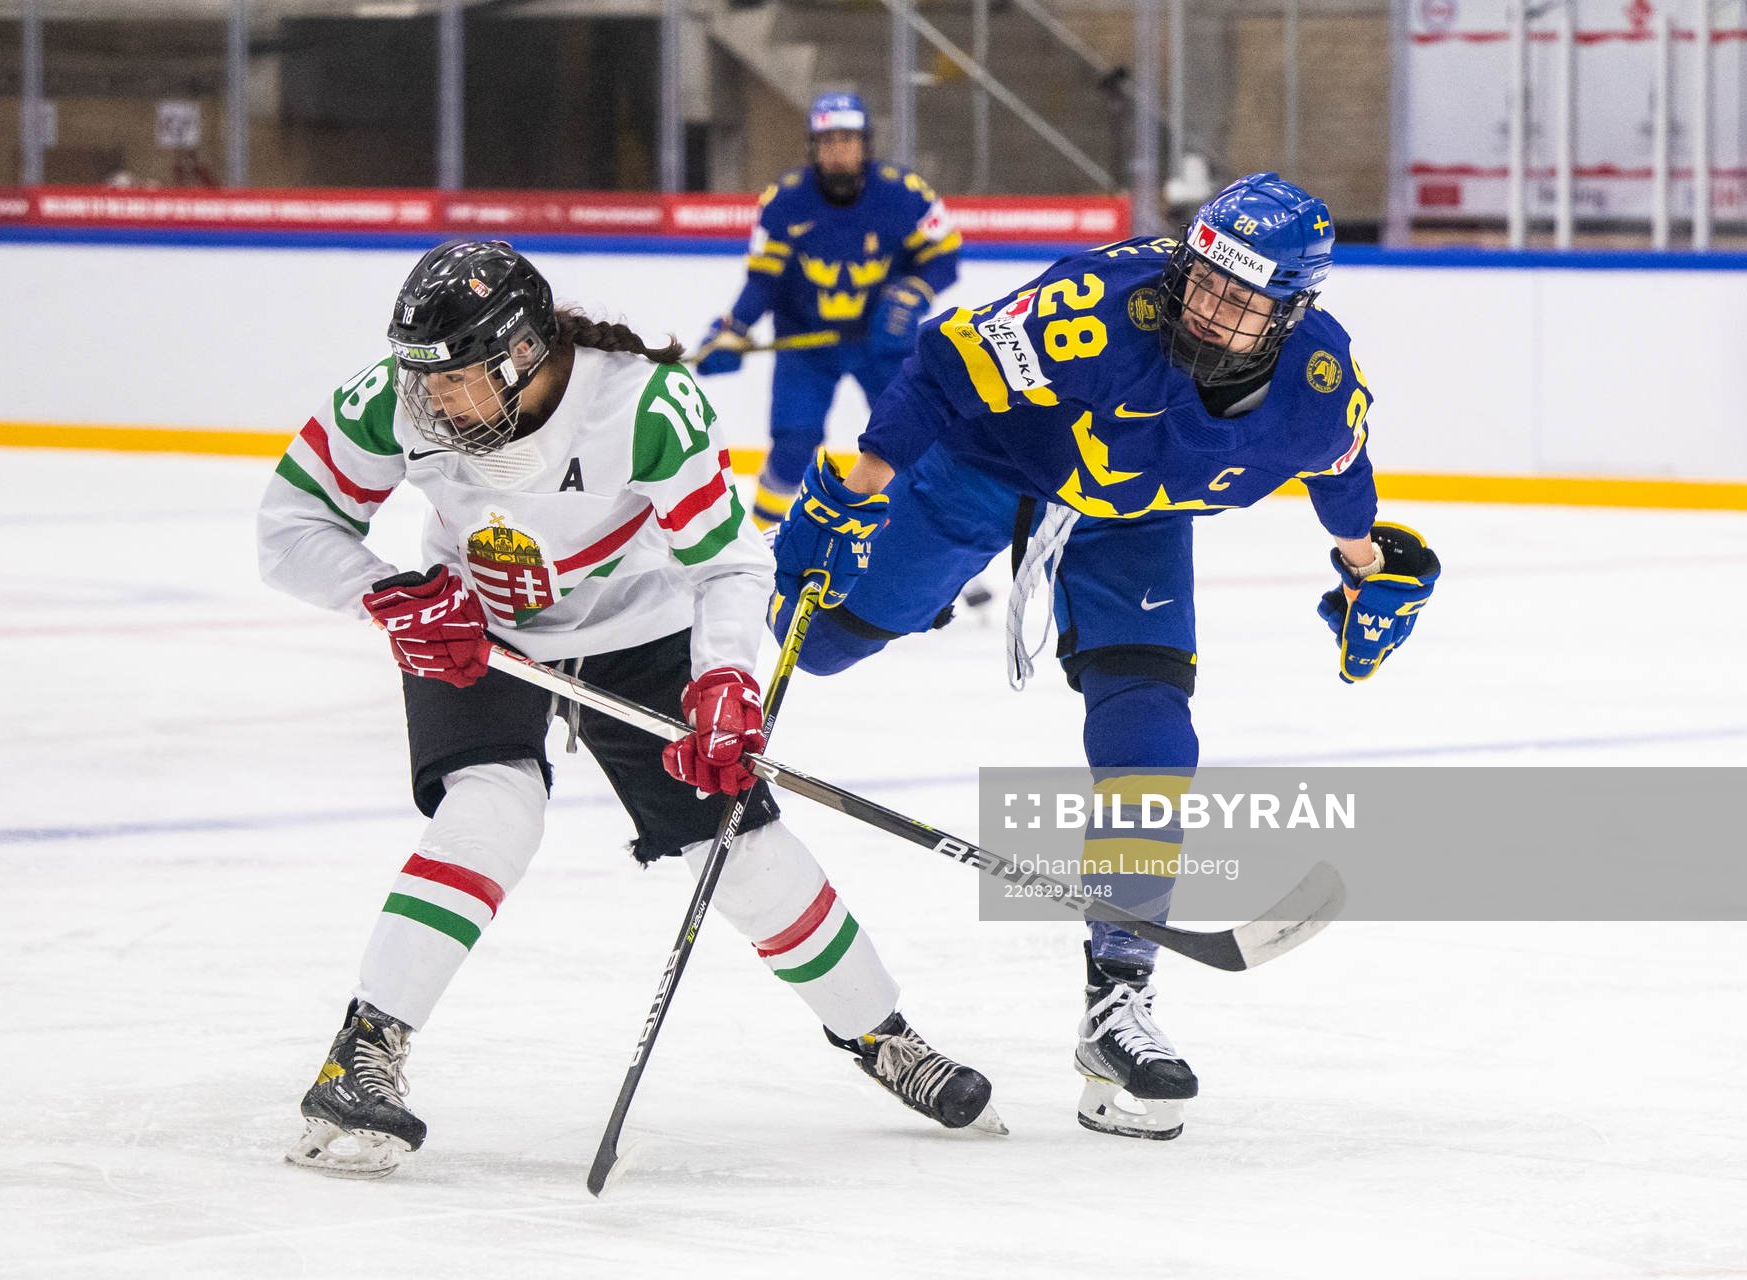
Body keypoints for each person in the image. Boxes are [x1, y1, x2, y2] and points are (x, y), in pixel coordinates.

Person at [256, 239, 999, 1178]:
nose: (432, 404)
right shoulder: (397, 401)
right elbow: (288, 528)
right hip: (476, 625)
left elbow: (729, 562)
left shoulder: (645, 406)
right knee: (491, 812)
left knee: (743, 854)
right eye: (423, 381)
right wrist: (389, 595)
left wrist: (723, 680)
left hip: (640, 630)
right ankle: (364, 1048)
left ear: (522, 354)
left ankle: (882, 1035)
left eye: (455, 381)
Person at [767, 174, 1441, 1140]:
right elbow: (946, 361)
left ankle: (1117, 997)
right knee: (825, 644)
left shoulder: (1318, 386)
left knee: (1154, 743)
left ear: (1291, 312)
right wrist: (861, 486)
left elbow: (1340, 468)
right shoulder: (1098, 307)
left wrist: (1366, 562)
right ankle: (759, 577)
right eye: (1204, 278)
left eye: (1241, 299)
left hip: (1135, 521)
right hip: (989, 465)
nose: (1208, 307)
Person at [693, 91, 961, 525]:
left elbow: (943, 258)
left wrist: (913, 293)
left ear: (865, 144)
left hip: (883, 343)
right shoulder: (785, 201)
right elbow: (764, 279)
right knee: (793, 446)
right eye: (828, 141)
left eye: (847, 140)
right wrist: (734, 326)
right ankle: (759, 542)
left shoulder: (905, 195)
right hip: (806, 344)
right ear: (813, 147)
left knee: (913, 441)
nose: (838, 150)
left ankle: (929, 540)